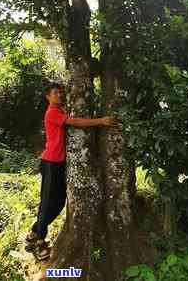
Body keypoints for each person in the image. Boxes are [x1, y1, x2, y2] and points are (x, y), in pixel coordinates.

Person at [25, 82, 118, 260]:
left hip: (58, 163)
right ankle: (38, 243)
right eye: (55, 93)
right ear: (48, 96)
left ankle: (35, 232)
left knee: (59, 202)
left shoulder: (59, 111)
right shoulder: (52, 112)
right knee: (47, 202)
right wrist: (102, 121)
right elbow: (75, 122)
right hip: (51, 162)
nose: (59, 95)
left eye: (60, 92)